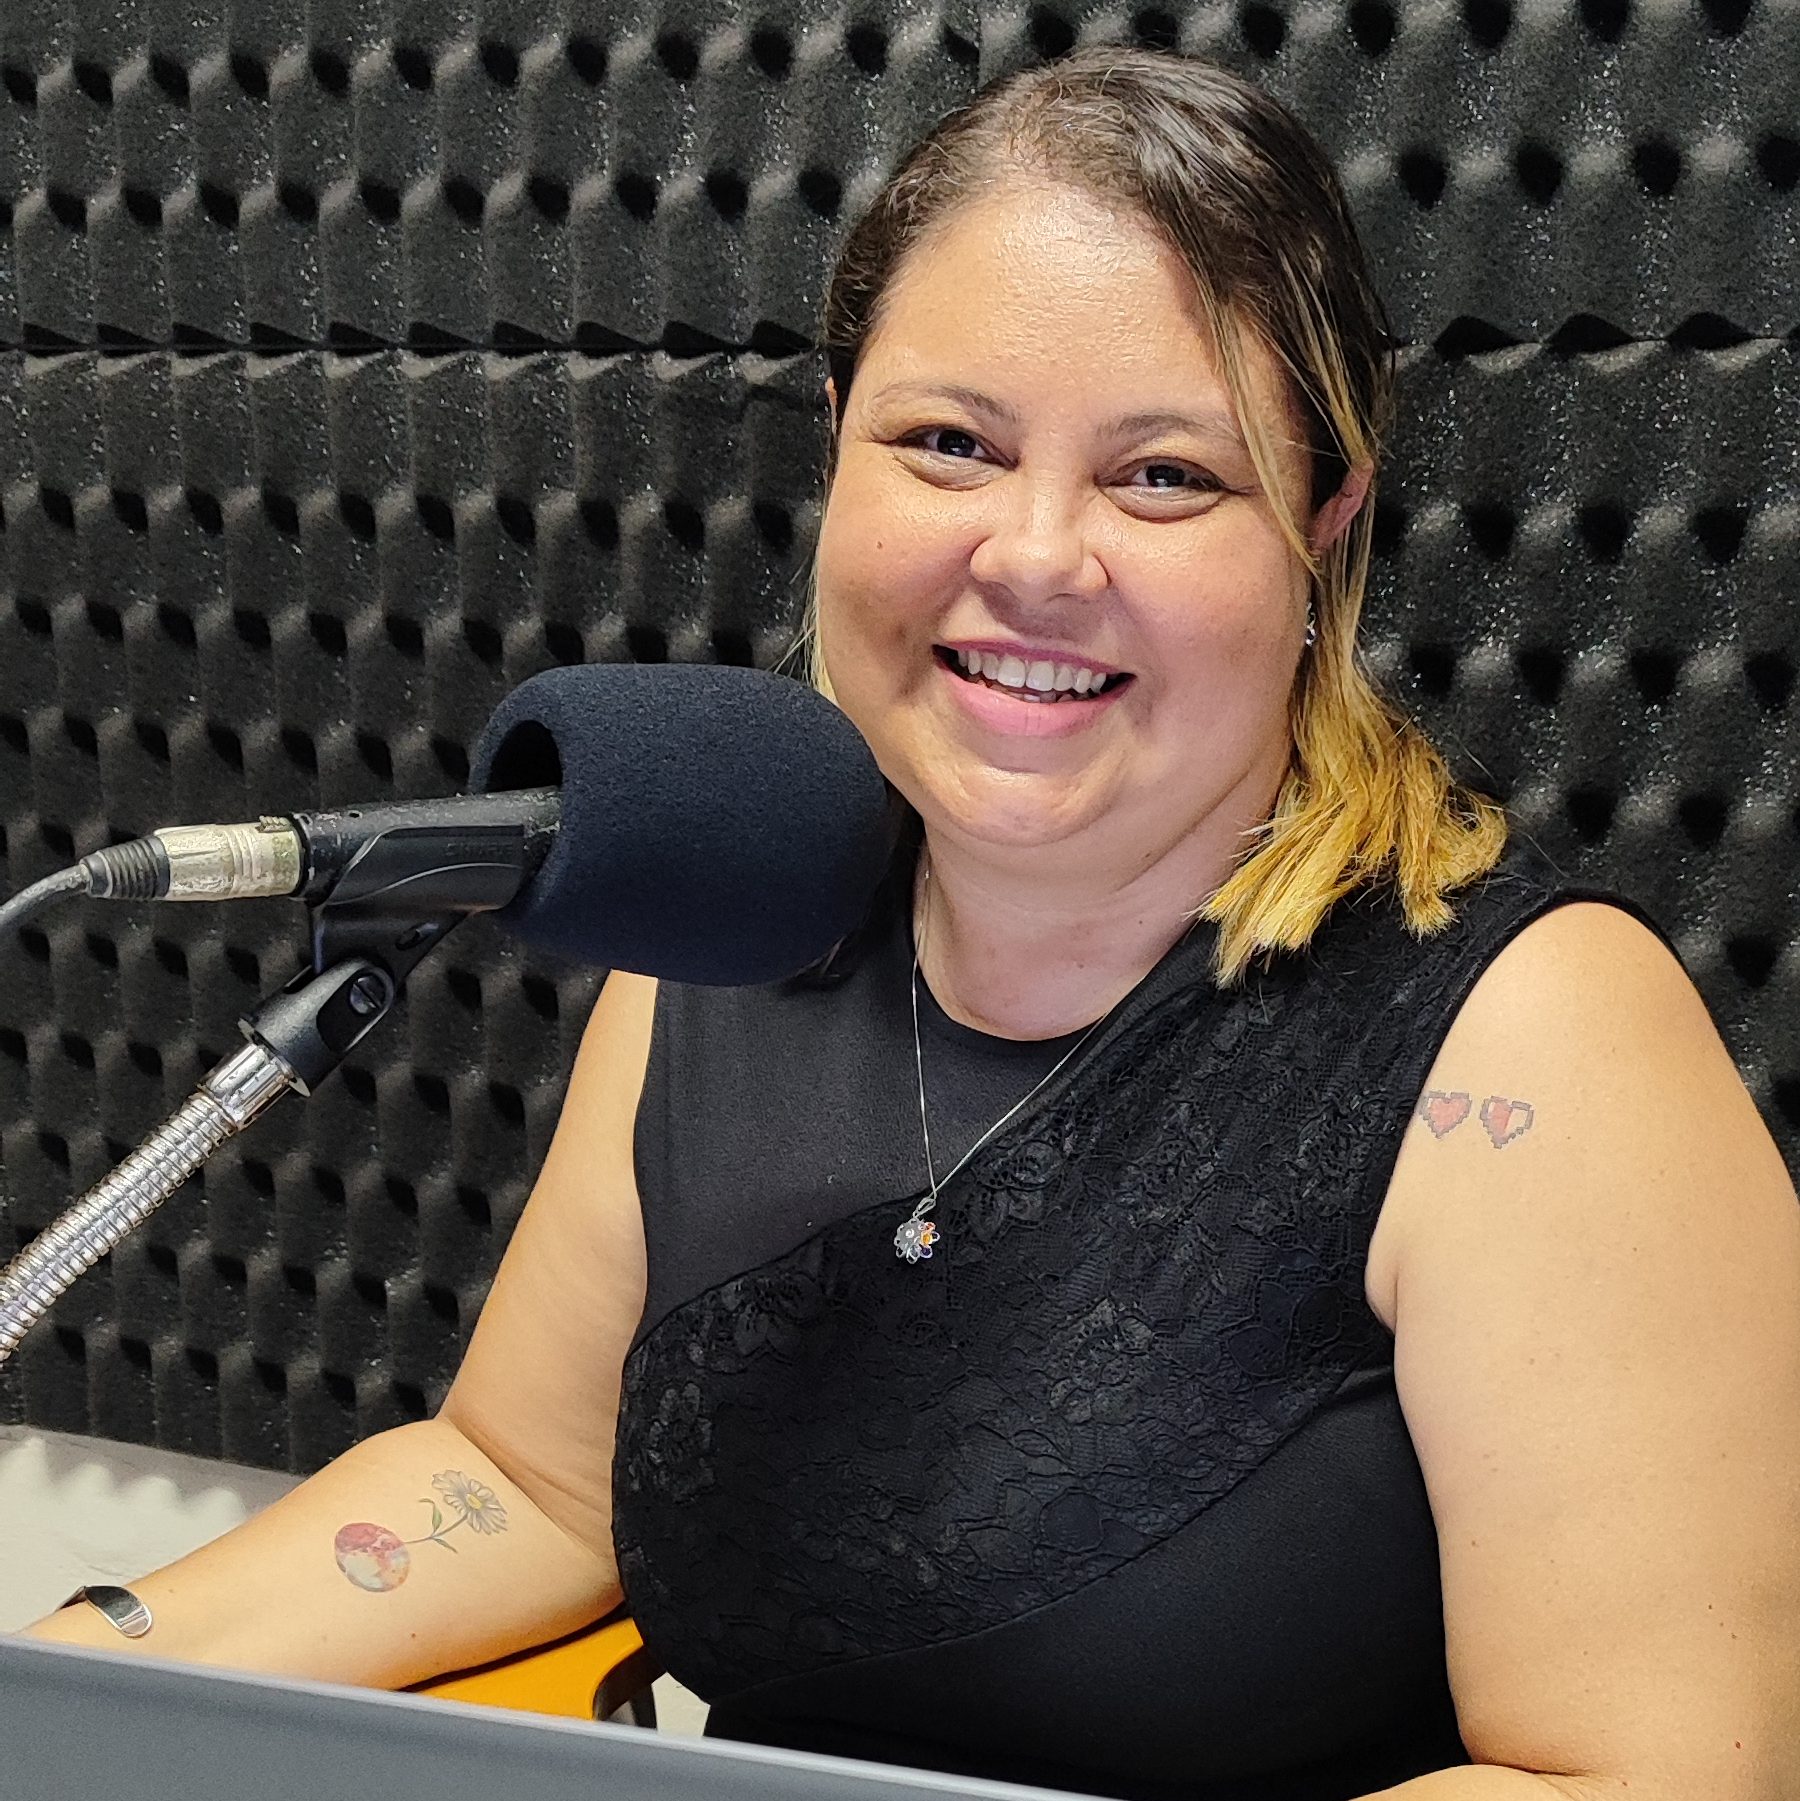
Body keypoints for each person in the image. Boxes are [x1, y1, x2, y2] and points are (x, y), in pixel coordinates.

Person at [19, 44, 1798, 1801]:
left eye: (1164, 475)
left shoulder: (1536, 1042)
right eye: (950, 442)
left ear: (1324, 528)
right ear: (841, 449)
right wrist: (80, 1678)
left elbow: (1643, 1777)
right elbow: (521, 1481)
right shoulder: (734, 938)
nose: (1036, 555)